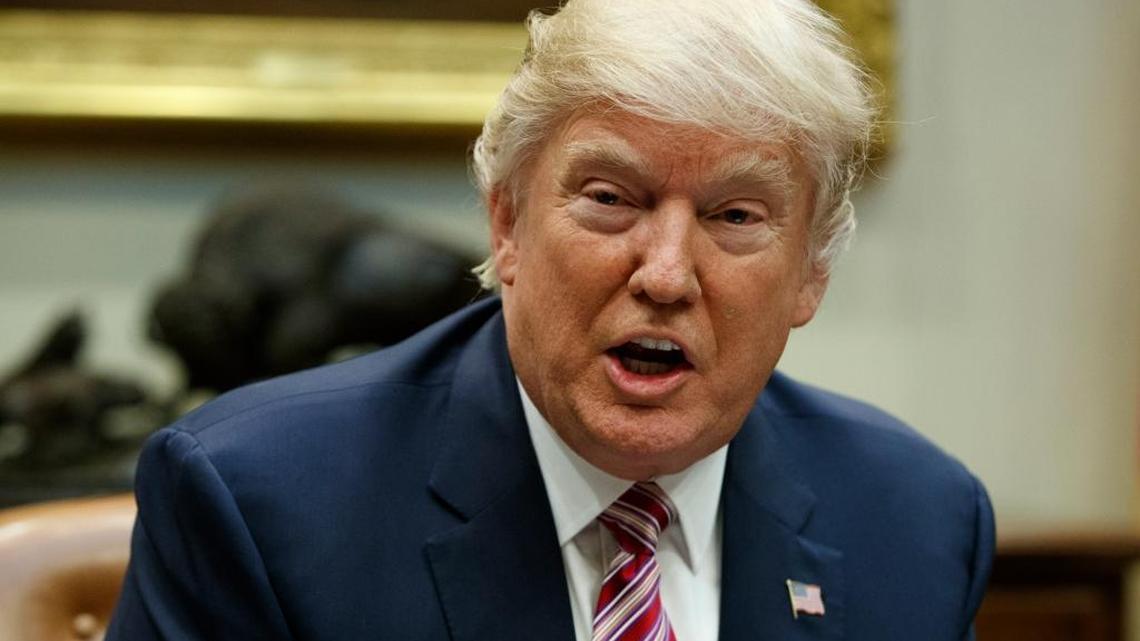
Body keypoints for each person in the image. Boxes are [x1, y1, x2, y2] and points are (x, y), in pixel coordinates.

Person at [107, 0, 994, 639]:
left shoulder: (916, 523)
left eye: (735, 217)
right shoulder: (259, 506)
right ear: (508, 225)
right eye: (611, 198)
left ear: (811, 274)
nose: (667, 273)